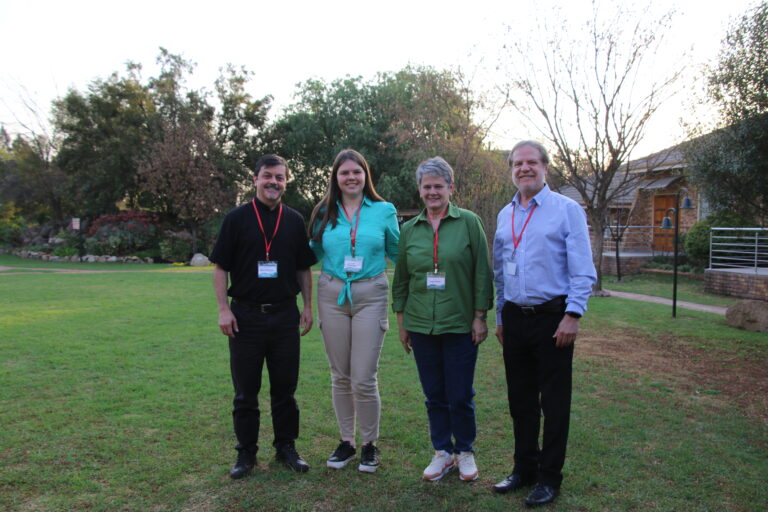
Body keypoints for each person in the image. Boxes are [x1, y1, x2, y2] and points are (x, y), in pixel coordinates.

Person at [491, 141, 597, 506]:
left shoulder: (567, 210)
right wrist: (500, 314)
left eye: (531, 162)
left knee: (554, 403)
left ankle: (550, 478)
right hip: (515, 319)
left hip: (554, 319)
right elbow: (500, 272)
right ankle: (524, 469)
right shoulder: (506, 215)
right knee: (520, 401)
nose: (524, 168)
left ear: (545, 167)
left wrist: (573, 315)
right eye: (517, 163)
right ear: (511, 170)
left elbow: (583, 270)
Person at [210, 154, 317, 479]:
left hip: (285, 316)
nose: (274, 182)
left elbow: (303, 268)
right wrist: (223, 309)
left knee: (285, 390)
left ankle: (286, 447)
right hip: (245, 316)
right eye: (268, 176)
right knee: (246, 391)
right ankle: (246, 454)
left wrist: (308, 307)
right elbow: (220, 268)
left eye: (280, 177)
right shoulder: (236, 219)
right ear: (255, 179)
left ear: (286, 182)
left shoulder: (295, 220)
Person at [392, 156, 493, 483]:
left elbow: (481, 272)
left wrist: (480, 316)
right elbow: (402, 278)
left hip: (460, 322)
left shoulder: (468, 222)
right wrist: (402, 320)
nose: (433, 192)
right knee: (434, 393)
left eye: (439, 186)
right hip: (421, 324)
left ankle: (464, 451)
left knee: (460, 393)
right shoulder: (409, 229)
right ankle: (442, 453)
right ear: (420, 190)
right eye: (427, 186)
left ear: (451, 187)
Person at [308, 149, 400, 473]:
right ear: (335, 177)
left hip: (370, 294)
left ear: (365, 175)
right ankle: (346, 442)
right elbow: (310, 253)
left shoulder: (384, 210)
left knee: (363, 377)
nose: (351, 177)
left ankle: (369, 445)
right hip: (332, 293)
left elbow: (398, 253)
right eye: (344, 172)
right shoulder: (324, 212)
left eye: (356, 172)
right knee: (340, 376)